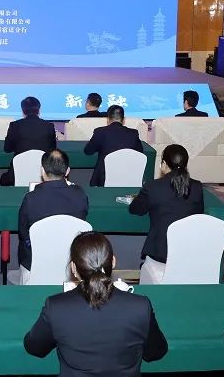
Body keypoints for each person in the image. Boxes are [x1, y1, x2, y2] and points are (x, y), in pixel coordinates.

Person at [24, 232, 168, 376]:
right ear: (113, 261)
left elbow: (35, 348)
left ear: (73, 268)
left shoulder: (56, 307)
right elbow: (155, 352)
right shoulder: (141, 307)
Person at [129, 144, 204, 281]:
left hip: (160, 253)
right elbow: (198, 214)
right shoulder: (197, 187)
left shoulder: (153, 186)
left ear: (164, 164)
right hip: (188, 250)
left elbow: (136, 209)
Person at [17, 150, 89, 280]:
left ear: (42, 171)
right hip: (71, 260)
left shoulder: (31, 199)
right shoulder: (80, 196)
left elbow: (23, 233)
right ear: (67, 171)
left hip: (35, 262)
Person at [0, 96, 56, 186]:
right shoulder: (49, 126)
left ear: (23, 111)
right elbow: (52, 149)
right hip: (44, 174)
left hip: (17, 173)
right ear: (39, 110)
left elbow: (7, 148)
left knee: (4, 178)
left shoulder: (14, 125)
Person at [84, 105, 144, 186]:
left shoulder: (100, 132)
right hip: (128, 177)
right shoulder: (133, 133)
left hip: (103, 179)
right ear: (123, 120)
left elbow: (88, 151)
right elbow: (140, 152)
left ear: (108, 119)